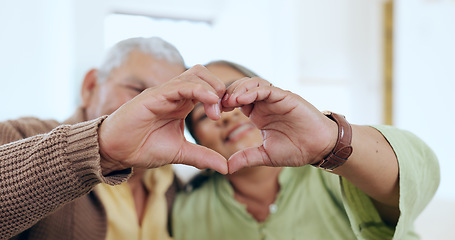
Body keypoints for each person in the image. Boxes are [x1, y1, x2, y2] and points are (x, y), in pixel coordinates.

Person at [172, 60, 440, 239]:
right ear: (196, 139)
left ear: (268, 95)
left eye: (237, 97)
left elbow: (417, 175)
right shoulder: (187, 210)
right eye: (205, 114)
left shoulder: (339, 173)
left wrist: (331, 141)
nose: (228, 116)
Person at [0, 37, 228, 240]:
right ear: (90, 87)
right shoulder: (19, 135)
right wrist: (100, 148)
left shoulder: (172, 183)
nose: (155, 107)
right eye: (138, 90)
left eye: (172, 98)